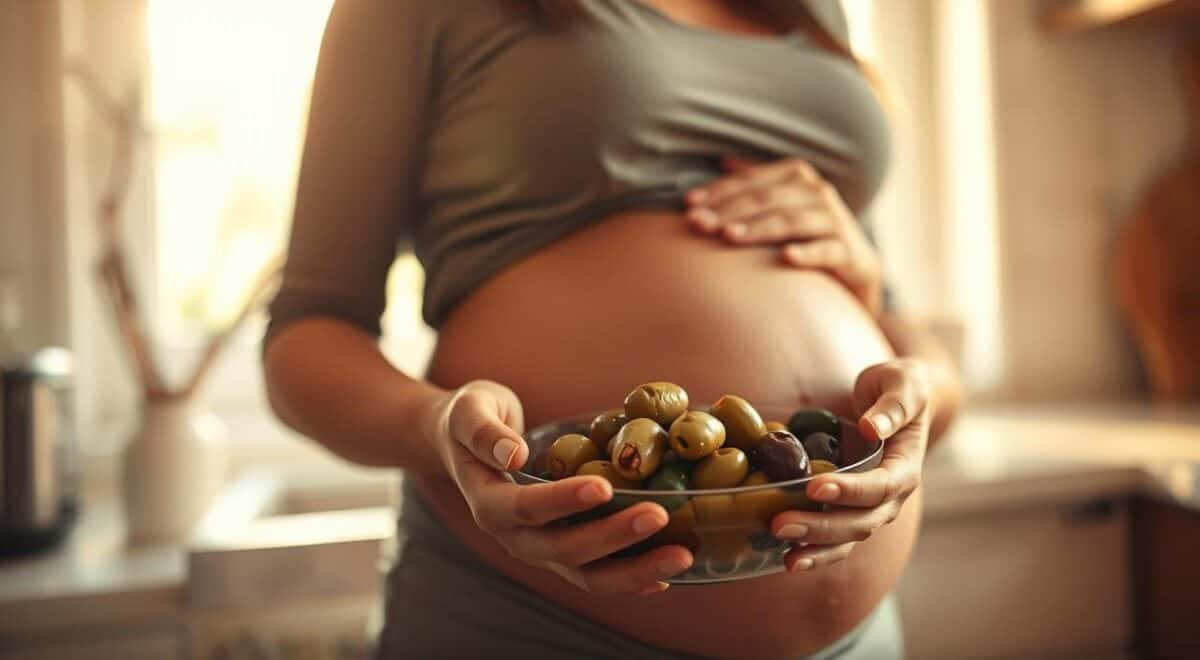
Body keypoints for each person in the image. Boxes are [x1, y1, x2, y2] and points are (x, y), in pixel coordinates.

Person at [263, 1, 962, 658]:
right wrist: (438, 427)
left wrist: (912, 386)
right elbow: (307, 333)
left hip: (863, 636)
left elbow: (905, 343)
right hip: (530, 623)